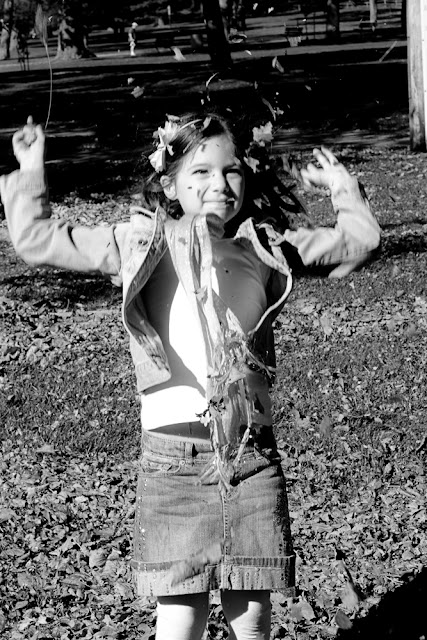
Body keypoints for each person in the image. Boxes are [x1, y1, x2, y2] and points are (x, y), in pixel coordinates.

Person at [1, 113, 380, 640]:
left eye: (231, 171)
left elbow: (361, 240)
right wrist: (30, 169)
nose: (219, 184)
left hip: (250, 457)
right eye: (200, 172)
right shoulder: (139, 241)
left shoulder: (263, 247)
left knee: (252, 616)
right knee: (181, 618)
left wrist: (341, 185)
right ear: (169, 184)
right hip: (172, 462)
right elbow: (37, 239)